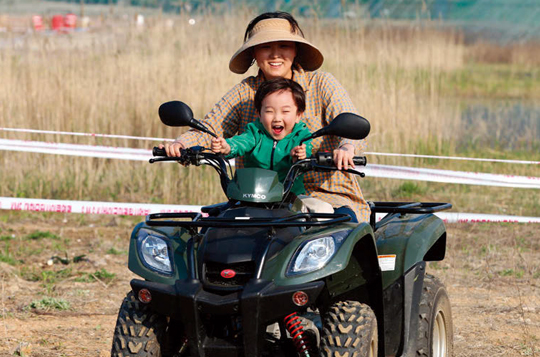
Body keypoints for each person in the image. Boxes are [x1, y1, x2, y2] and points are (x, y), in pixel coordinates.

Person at [163, 11, 369, 223]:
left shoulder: (322, 84)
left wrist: (347, 148)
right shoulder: (245, 92)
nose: (275, 55)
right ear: (254, 53)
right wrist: (181, 144)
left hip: (327, 195)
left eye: (284, 46)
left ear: (295, 50)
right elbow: (209, 129)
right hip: (258, 199)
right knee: (208, 233)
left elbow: (350, 122)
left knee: (339, 230)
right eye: (265, 47)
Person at [211, 78, 312, 197]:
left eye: (285, 111)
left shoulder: (301, 136)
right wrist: (227, 147)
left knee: (320, 209)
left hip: (291, 197)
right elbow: (241, 142)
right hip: (253, 197)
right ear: (259, 114)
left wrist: (299, 157)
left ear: (298, 115)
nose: (277, 118)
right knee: (225, 214)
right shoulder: (255, 132)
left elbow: (306, 153)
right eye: (269, 111)